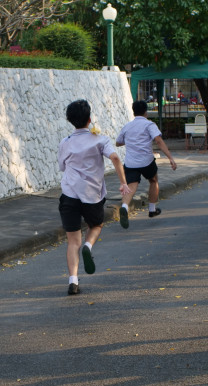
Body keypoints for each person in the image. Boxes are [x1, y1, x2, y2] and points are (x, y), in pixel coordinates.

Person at [58, 100, 131, 295]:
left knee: (73, 241)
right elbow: (115, 158)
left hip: (69, 195)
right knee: (96, 226)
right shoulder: (100, 139)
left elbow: (63, 167)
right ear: (90, 119)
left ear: (70, 121)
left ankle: (73, 282)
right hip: (92, 195)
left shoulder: (65, 142)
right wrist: (123, 183)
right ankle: (89, 246)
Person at [116, 100, 177, 229]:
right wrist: (170, 157)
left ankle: (124, 207)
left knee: (131, 186)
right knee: (153, 180)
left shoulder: (127, 126)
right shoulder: (149, 125)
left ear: (133, 112)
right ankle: (152, 209)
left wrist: (131, 140)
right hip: (146, 161)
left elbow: (118, 142)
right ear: (146, 112)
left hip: (131, 162)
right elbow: (158, 141)